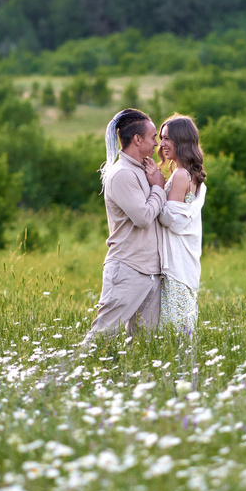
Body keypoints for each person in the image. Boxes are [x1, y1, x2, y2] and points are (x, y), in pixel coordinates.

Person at [93, 107, 166, 336]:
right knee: (104, 335)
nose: (157, 144)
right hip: (128, 268)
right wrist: (158, 188)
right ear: (137, 139)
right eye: (153, 137)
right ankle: (73, 371)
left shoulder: (142, 170)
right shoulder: (122, 173)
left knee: (145, 344)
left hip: (150, 272)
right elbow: (143, 218)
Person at [155, 114, 205, 337]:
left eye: (168, 139)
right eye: (161, 137)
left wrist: (155, 186)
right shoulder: (193, 174)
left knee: (172, 326)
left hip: (177, 265)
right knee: (183, 324)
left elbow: (170, 218)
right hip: (186, 262)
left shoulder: (179, 175)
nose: (162, 144)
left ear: (182, 141)